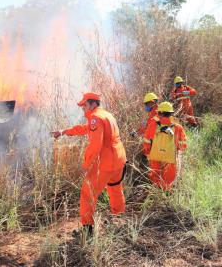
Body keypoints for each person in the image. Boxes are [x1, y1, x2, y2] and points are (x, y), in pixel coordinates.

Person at [51, 93, 126, 237]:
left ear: (93, 104)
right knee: (115, 188)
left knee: (87, 194)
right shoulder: (105, 115)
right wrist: (64, 132)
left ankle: (87, 232)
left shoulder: (95, 118)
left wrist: (85, 165)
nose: (83, 109)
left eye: (84, 105)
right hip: (119, 159)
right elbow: (85, 129)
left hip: (105, 162)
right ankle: (119, 221)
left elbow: (95, 145)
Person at [143, 102, 187, 191]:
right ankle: (166, 192)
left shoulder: (153, 124)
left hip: (155, 155)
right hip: (170, 156)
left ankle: (156, 190)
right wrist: (177, 150)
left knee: (155, 174)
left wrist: (148, 152)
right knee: (168, 178)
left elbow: (146, 141)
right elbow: (183, 145)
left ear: (161, 113)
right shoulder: (178, 127)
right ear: (171, 113)